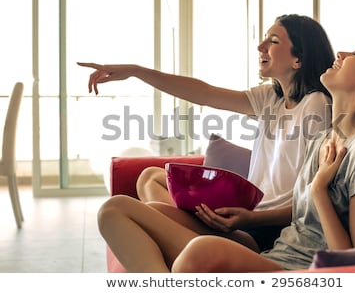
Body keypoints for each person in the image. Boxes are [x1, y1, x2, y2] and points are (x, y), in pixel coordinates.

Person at [94, 41, 355, 272]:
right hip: (275, 254)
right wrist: (246, 219)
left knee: (198, 253)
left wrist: (319, 189)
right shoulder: (328, 137)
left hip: (299, 270)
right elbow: (203, 92)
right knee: (117, 210)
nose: (342, 53)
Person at [79, 14, 335, 252]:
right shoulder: (271, 97)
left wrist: (250, 219)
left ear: (298, 59)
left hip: (267, 228)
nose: (261, 46)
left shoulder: (316, 104)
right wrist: (137, 71)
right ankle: (195, 247)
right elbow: (203, 92)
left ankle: (200, 248)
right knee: (151, 178)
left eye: (273, 40)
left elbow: (312, 195)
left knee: (144, 213)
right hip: (247, 216)